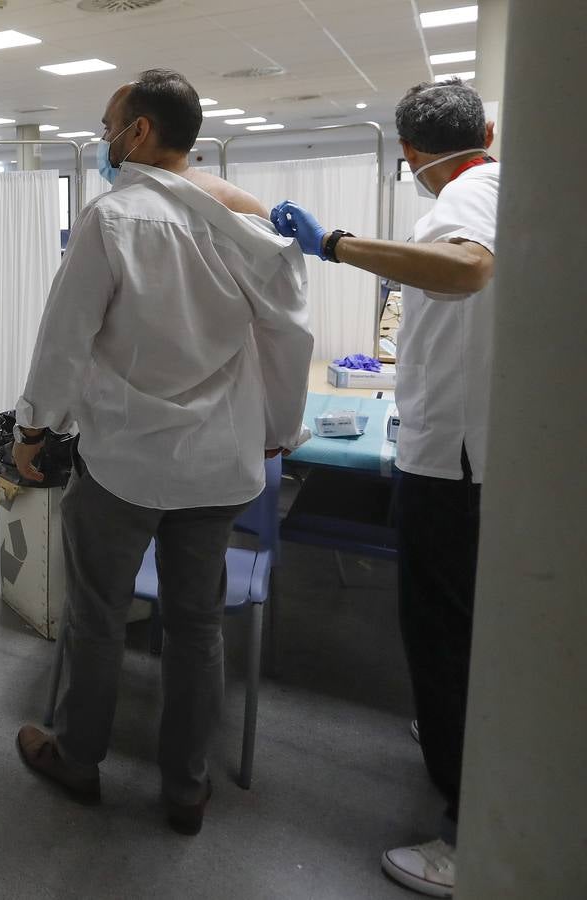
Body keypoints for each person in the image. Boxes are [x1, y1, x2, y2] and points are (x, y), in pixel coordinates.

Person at [10, 69, 312, 837]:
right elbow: (287, 336)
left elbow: (65, 340)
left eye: (109, 121)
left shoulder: (113, 219)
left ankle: (79, 757)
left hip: (128, 462)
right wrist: (278, 426)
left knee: (99, 616)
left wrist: (33, 429)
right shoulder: (241, 225)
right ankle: (186, 787)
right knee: (198, 626)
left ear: (139, 131)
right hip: (219, 463)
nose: (105, 137)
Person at [271, 77, 498, 899]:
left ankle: (470, 838)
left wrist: (334, 244)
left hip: (456, 467)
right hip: (462, 453)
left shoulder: (467, 198)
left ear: (409, 154)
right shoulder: (498, 184)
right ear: (489, 128)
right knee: (459, 637)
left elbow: (469, 270)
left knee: (441, 637)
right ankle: (458, 741)